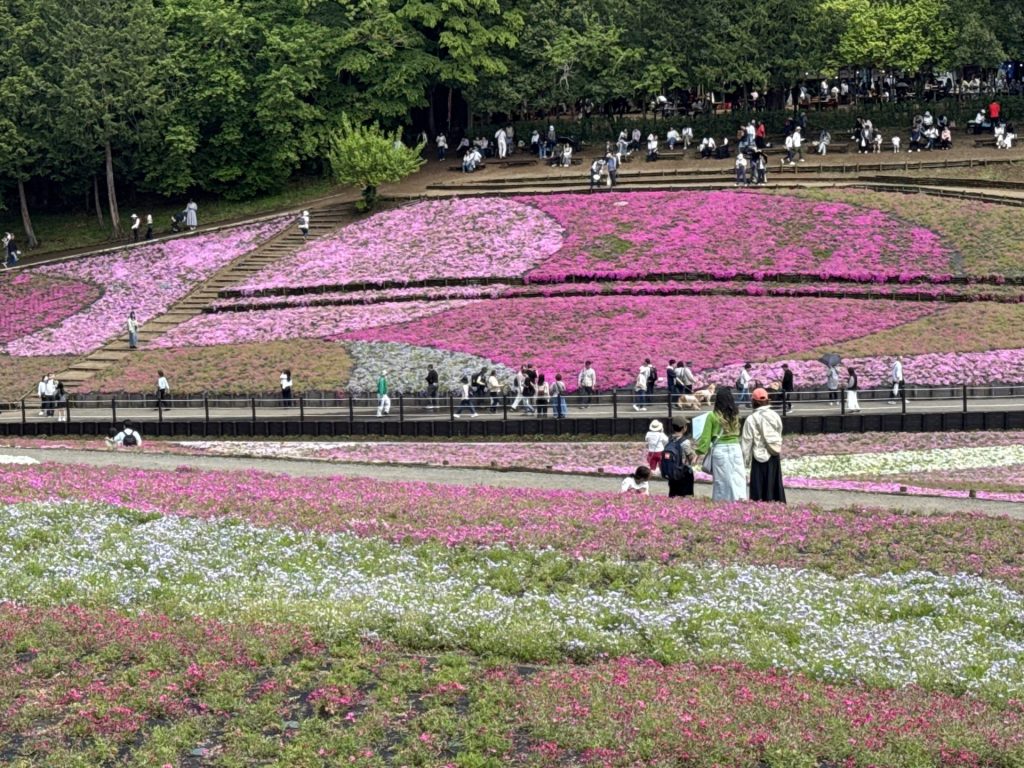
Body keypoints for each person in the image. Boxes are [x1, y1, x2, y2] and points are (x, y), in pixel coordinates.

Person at [696, 385, 746, 501]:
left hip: (720, 449)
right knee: (738, 477)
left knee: (721, 481)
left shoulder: (712, 416)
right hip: (736, 447)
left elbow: (705, 438)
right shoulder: (735, 414)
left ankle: (722, 504)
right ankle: (739, 501)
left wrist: (699, 451)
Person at [741, 388, 786, 503]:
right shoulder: (775, 415)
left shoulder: (751, 419)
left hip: (759, 456)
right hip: (773, 453)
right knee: (774, 485)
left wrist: (744, 462)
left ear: (753, 401)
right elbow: (779, 432)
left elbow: (746, 442)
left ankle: (760, 510)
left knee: (759, 489)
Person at [660, 417, 697, 497]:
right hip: (682, 473)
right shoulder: (685, 442)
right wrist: (695, 455)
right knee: (684, 496)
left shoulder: (668, 440)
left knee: (673, 494)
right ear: (684, 428)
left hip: (671, 472)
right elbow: (690, 458)